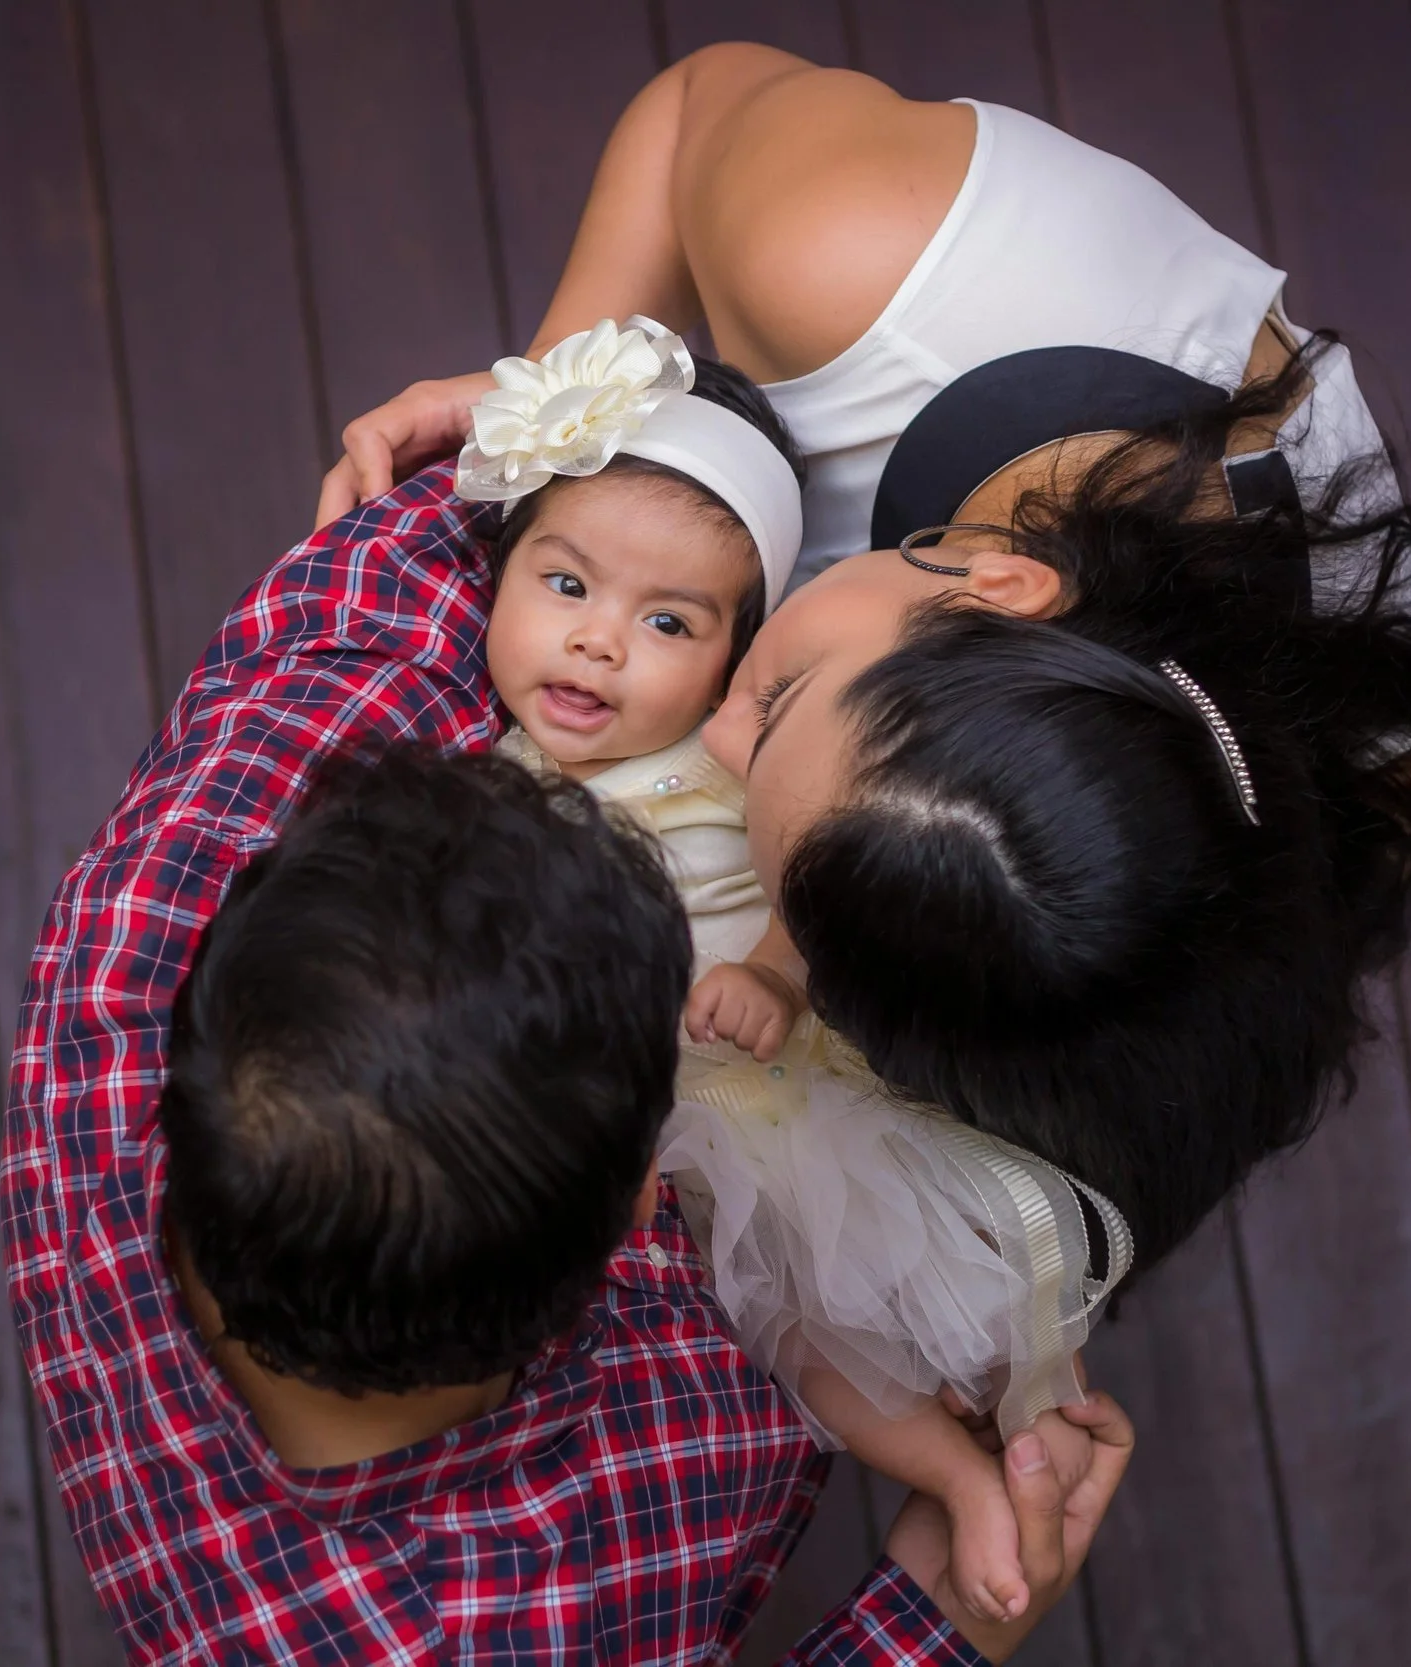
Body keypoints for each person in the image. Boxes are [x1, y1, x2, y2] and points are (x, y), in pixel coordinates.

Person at [315, 45, 1411, 1284]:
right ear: (1000, 581)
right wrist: (563, 413)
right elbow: (687, 111)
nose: (711, 730)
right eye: (775, 701)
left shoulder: (1261, 893)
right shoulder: (846, 252)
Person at [4, 465, 1133, 1664]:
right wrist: (938, 1625)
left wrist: (555, 437)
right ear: (645, 1207)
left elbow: (378, 588)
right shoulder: (516, 1622)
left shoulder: (121, 970)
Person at [451, 314, 1128, 1623]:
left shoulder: (729, 761)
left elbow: (824, 881)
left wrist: (771, 971)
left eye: (668, 619)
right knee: (783, 1328)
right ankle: (971, 1462)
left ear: (733, 655)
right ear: (503, 575)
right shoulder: (485, 782)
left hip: (772, 1103)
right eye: (566, 585)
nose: (596, 644)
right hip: (648, 1133)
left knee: (895, 1309)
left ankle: (1003, 1445)